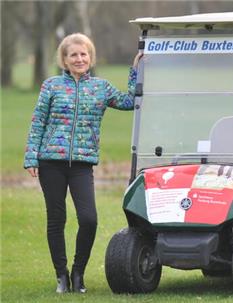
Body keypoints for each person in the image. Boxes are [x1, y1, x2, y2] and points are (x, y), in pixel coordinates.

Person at [23, 33, 142, 294]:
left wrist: (135, 71)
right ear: (64, 60)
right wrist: (31, 156)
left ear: (90, 57)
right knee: (57, 218)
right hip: (50, 162)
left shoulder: (101, 87)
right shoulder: (51, 86)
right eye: (73, 55)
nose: (79, 59)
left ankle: (78, 273)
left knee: (88, 219)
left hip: (82, 164)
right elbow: (37, 122)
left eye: (83, 54)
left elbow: (130, 101)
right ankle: (61, 276)